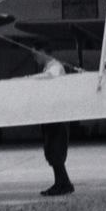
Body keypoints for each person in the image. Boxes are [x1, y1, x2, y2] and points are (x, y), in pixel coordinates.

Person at [31, 48, 73, 196]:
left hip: (58, 116)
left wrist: (28, 79)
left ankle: (64, 184)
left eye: (35, 53)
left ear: (43, 51)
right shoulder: (48, 67)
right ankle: (61, 183)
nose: (34, 56)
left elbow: (48, 77)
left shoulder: (55, 67)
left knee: (55, 150)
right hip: (52, 115)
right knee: (51, 150)